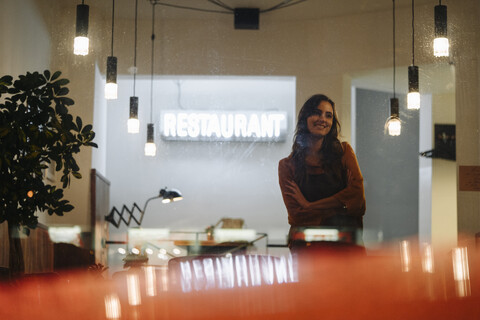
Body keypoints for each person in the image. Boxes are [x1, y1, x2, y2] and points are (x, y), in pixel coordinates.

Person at [278, 94, 366, 249]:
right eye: (317, 113)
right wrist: (342, 206)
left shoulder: (344, 152)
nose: (323, 119)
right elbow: (297, 216)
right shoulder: (287, 166)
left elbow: (358, 204)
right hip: (308, 248)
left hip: (346, 248)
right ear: (305, 117)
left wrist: (309, 206)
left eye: (328, 115)